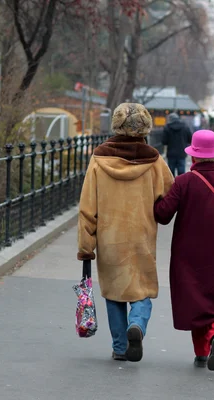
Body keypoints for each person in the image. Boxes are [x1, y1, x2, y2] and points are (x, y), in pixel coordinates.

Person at [78, 103, 174, 362]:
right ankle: (137, 325)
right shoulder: (154, 160)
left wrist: (86, 246)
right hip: (142, 236)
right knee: (141, 290)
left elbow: (87, 207)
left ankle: (120, 348)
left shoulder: (99, 159)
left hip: (110, 239)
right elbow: (169, 196)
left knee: (114, 293)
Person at [154, 130, 214, 372]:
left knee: (195, 299)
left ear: (193, 157)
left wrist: (154, 198)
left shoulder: (184, 182)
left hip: (189, 253)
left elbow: (163, 215)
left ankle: (201, 352)